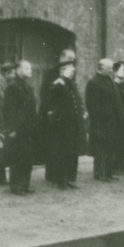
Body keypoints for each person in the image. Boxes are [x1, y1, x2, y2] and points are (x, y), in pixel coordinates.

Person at [41, 50, 82, 189]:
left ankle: (67, 178)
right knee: (59, 149)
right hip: (57, 119)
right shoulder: (54, 76)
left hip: (69, 119)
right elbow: (48, 93)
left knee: (69, 150)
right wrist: (49, 111)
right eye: (69, 59)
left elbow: (74, 97)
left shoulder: (69, 79)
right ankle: (57, 178)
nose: (72, 62)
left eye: (73, 59)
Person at [85, 58, 124, 182]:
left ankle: (108, 172)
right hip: (101, 122)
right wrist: (97, 121)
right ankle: (100, 174)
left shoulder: (109, 81)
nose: (111, 71)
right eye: (109, 69)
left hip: (112, 121)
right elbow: (91, 104)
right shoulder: (94, 82)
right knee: (101, 148)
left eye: (112, 68)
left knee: (110, 147)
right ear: (101, 68)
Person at [4, 61, 38, 195]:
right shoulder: (13, 86)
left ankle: (25, 184)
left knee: (27, 157)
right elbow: (9, 110)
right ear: (18, 71)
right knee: (17, 157)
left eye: (30, 68)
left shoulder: (27, 85)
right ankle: (16, 186)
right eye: (27, 68)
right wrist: (11, 129)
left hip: (28, 128)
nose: (30, 70)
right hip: (18, 129)